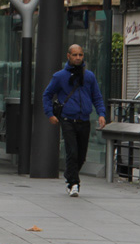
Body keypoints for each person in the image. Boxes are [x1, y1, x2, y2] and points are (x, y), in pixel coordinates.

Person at [42, 44, 106, 197]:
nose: (78, 58)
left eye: (81, 55)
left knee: (81, 155)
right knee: (72, 151)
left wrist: (101, 114)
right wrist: (49, 113)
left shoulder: (89, 76)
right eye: (75, 55)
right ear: (68, 56)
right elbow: (47, 95)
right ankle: (74, 183)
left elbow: (97, 97)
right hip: (67, 119)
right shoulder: (59, 77)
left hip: (84, 120)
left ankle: (70, 176)